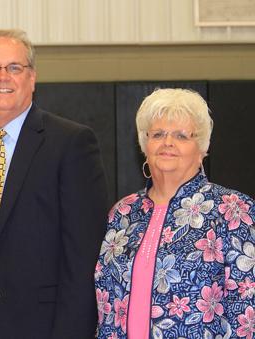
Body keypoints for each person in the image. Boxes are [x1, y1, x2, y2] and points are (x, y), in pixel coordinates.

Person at [0, 29, 109, 338]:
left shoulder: (71, 144)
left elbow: (84, 259)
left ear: (32, 78)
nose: (3, 77)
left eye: (15, 67)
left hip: (44, 326)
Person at [95, 88, 255, 338]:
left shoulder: (232, 210)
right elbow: (103, 304)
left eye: (181, 136)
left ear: (202, 147)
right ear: (144, 143)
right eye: (158, 134)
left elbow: (247, 309)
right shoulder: (122, 213)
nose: (167, 142)